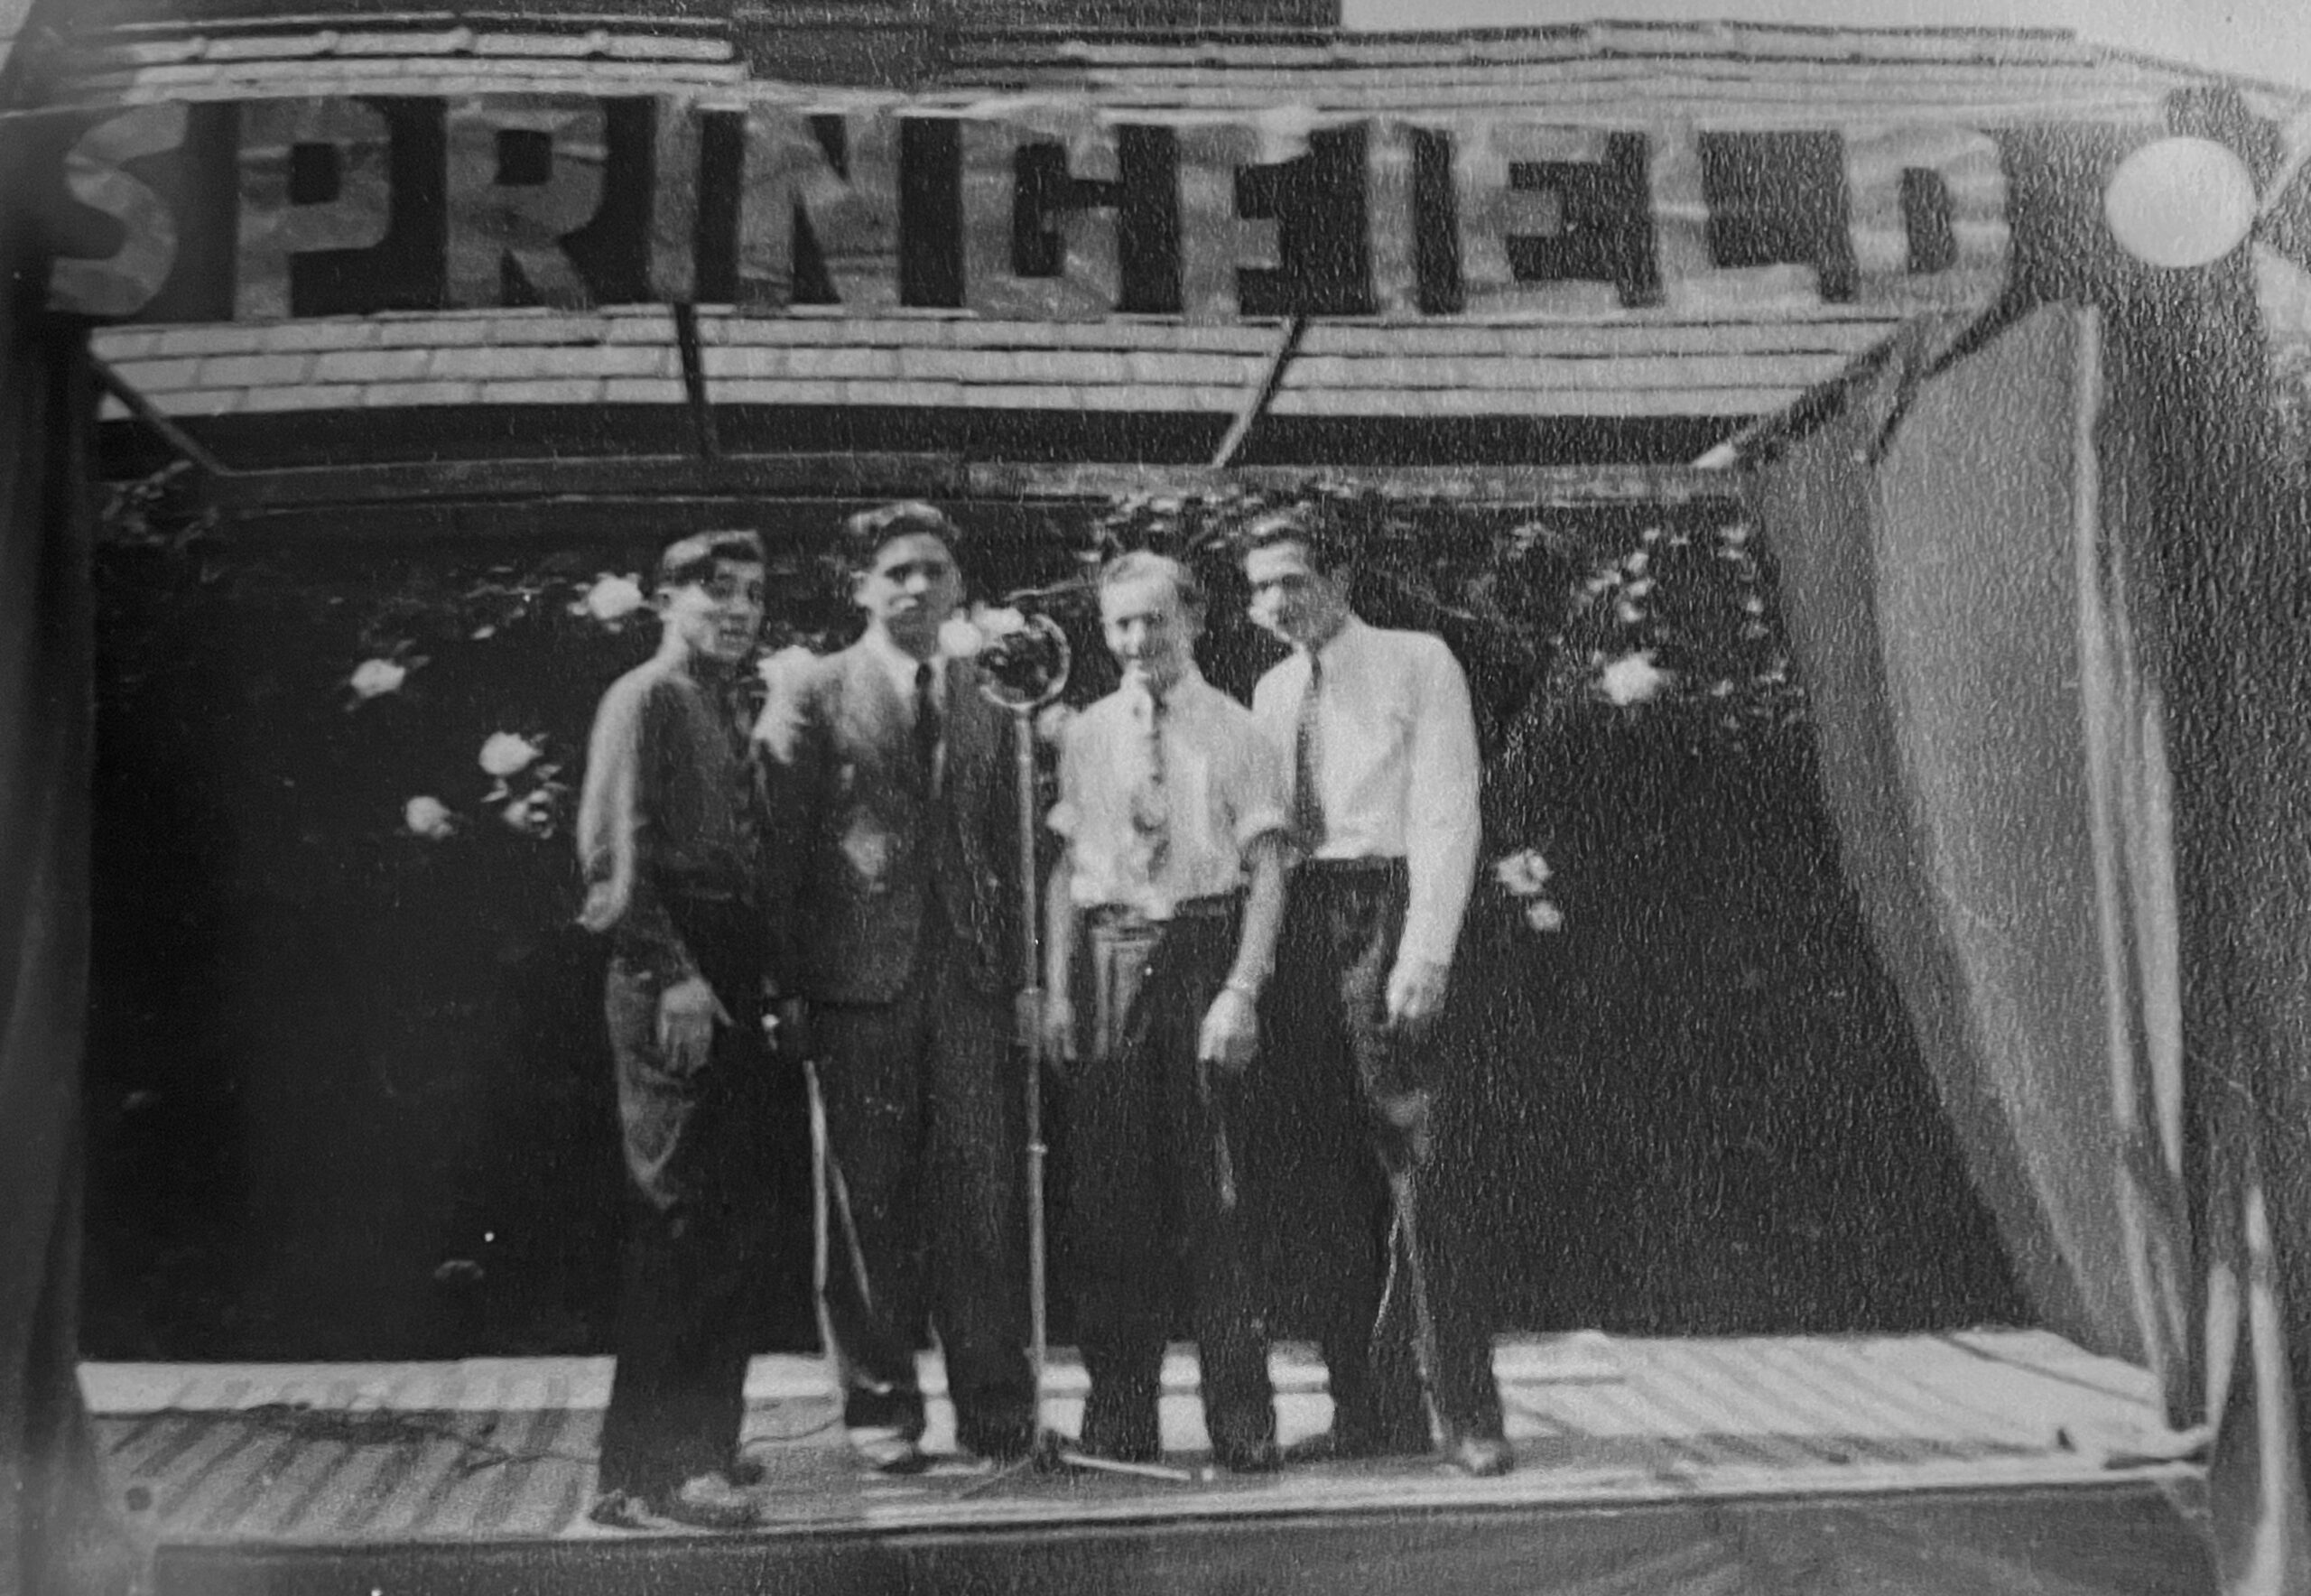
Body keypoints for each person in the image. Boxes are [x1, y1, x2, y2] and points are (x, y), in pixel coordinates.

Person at [757, 502, 1036, 1473]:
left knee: (981, 1197)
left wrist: (1022, 976)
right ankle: (882, 1413)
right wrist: (785, 989)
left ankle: (997, 1409)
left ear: (958, 586)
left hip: (965, 981)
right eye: (895, 573)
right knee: (864, 1205)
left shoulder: (988, 690)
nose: (915, 586)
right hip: (853, 986)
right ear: (860, 588)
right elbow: (780, 850)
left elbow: (1012, 837)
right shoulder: (813, 690)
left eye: (932, 570)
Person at [1239, 508, 1515, 1478]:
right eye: (1260, 585)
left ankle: (1466, 1410)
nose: (1276, 601)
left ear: (1340, 576)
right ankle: (1367, 1407)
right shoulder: (1272, 690)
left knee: (1422, 1168)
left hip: (1388, 908)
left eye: (1292, 579)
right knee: (1327, 1178)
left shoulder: (1418, 660)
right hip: (1304, 924)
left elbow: (1448, 807)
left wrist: (1426, 949)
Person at [1039, 552, 1291, 1472]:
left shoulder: (1236, 729)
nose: (1138, 642)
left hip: (1202, 951)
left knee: (1218, 1198)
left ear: (1192, 619)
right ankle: (1119, 1418)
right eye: (1120, 626)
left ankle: (1242, 1421)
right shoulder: (1088, 732)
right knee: (1111, 1201)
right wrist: (1060, 988)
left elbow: (1267, 869)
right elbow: (1069, 871)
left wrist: (1241, 988)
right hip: (1110, 962)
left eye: (1155, 620)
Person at [576, 529, 781, 1529]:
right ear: (665, 600)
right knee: (680, 1213)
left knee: (732, 1208)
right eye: (714, 593)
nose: (736, 610)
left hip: (729, 960)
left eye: (750, 594)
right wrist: (675, 976)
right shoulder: (644, 698)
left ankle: (705, 1440)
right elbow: (614, 857)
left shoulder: (726, 700)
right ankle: (648, 1469)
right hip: (671, 964)